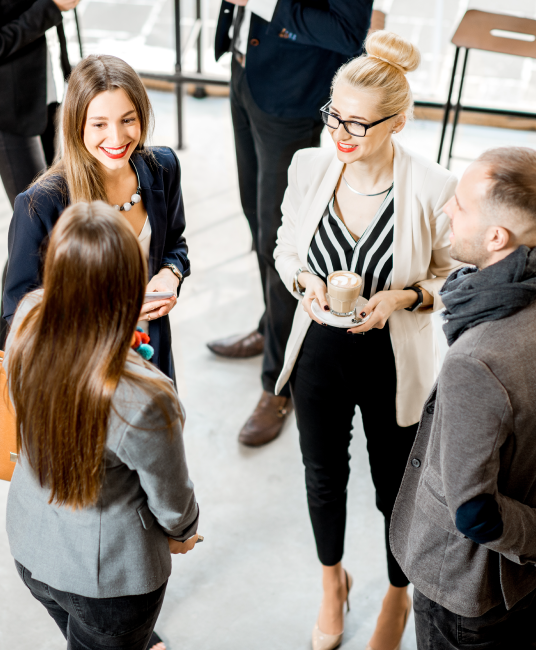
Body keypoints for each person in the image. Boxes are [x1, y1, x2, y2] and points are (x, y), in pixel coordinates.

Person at [273, 30, 462, 650]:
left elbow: (452, 274)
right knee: (322, 473)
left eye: (358, 123)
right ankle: (333, 581)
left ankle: (397, 591)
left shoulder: (433, 187)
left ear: (398, 122)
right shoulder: (310, 167)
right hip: (319, 353)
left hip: (392, 357)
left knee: (395, 484)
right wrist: (304, 281)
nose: (341, 134)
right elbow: (285, 249)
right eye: (334, 115)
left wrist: (402, 299)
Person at [5, 201, 200, 650]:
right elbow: (171, 499)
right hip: (110, 581)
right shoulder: (145, 396)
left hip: (31, 546)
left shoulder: (27, 320)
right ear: (131, 286)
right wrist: (184, 533)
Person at [208, 0, 373, 447]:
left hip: (291, 89)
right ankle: (270, 328)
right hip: (247, 72)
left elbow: (347, 31)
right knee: (254, 217)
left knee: (279, 242)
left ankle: (278, 384)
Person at [390, 147, 536, 650]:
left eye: (461, 205)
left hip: (467, 592)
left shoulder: (478, 360)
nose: (447, 210)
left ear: (497, 237)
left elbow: (476, 511)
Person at [4, 54, 188, 381]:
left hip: (151, 360)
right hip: (77, 377)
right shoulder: (40, 204)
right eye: (100, 124)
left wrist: (170, 273)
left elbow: (176, 244)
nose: (117, 139)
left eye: (128, 120)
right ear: (78, 126)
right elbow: (16, 317)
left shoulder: (163, 168)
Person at [0, 0, 76, 346]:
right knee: (36, 234)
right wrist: (52, 6)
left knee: (55, 223)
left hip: (49, 95)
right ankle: (9, 345)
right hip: (9, 111)